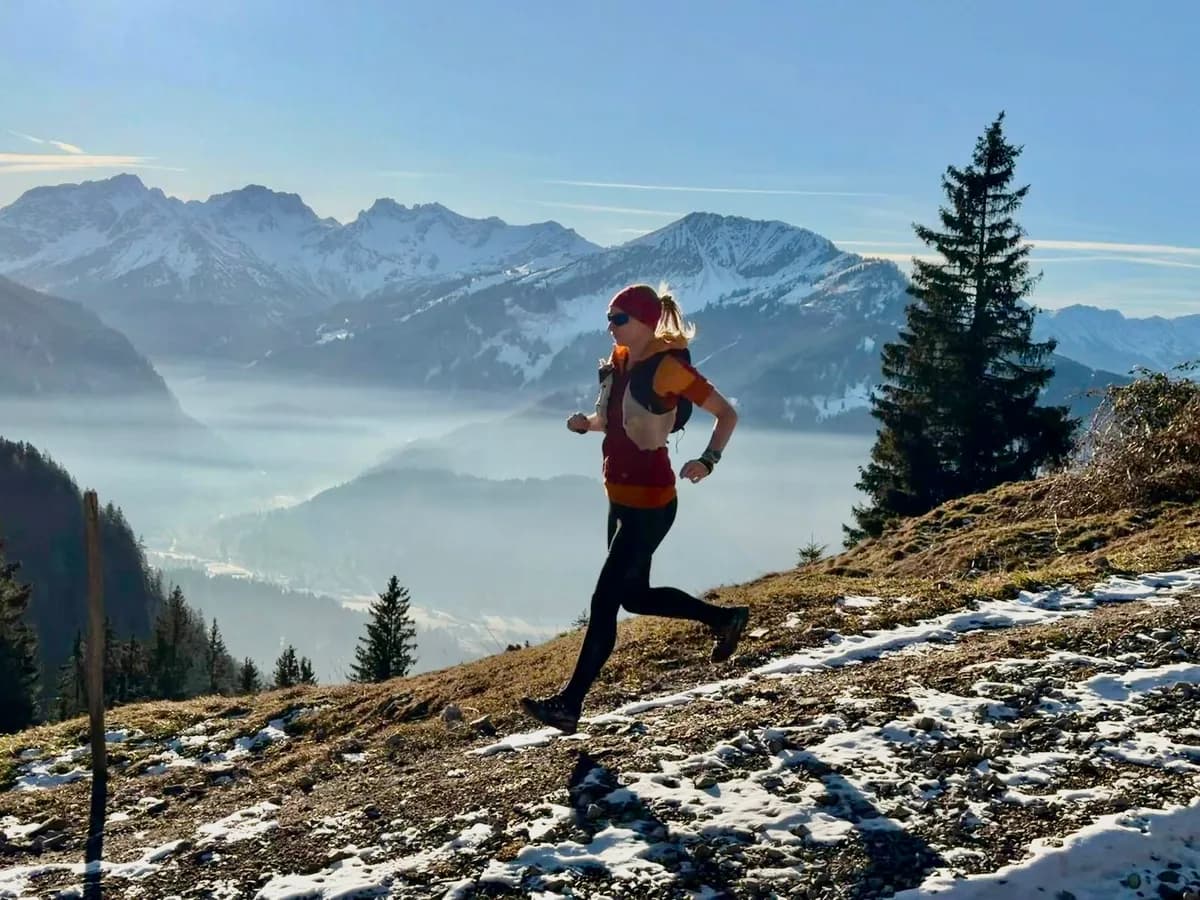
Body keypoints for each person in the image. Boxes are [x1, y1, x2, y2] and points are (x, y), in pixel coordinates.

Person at [520, 283, 750, 735]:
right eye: (609, 318)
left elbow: (727, 414)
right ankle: (725, 619)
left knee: (605, 600)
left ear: (645, 322)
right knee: (635, 597)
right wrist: (583, 424)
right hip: (619, 498)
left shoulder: (668, 368)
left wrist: (708, 460)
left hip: (651, 504)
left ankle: (570, 705)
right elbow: (608, 420)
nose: (610, 326)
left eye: (619, 319)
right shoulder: (620, 364)